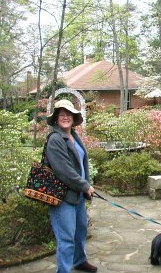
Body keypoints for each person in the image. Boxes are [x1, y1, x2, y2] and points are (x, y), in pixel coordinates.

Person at [45, 99, 97, 273]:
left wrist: (86, 187)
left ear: (74, 118)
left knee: (80, 231)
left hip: (78, 195)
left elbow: (82, 164)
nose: (65, 117)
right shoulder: (55, 139)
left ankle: (79, 261)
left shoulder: (74, 136)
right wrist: (85, 185)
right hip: (63, 197)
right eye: (61, 114)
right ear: (56, 118)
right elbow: (64, 170)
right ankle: (64, 270)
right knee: (66, 238)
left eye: (69, 114)